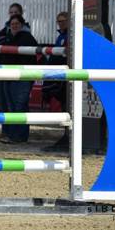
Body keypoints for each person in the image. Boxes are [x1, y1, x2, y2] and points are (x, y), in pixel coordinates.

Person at [0, 14, 38, 143]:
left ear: (22, 25)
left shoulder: (27, 37)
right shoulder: (8, 36)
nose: (14, 26)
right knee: (10, 107)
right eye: (12, 24)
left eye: (17, 24)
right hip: (9, 75)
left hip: (22, 76)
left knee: (19, 106)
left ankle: (19, 136)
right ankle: (11, 135)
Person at [42, 12, 69, 152]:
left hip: (66, 76)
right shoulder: (61, 36)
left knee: (68, 106)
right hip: (59, 76)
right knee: (64, 105)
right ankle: (66, 134)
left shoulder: (69, 36)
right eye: (59, 21)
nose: (60, 23)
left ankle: (69, 135)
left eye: (63, 21)